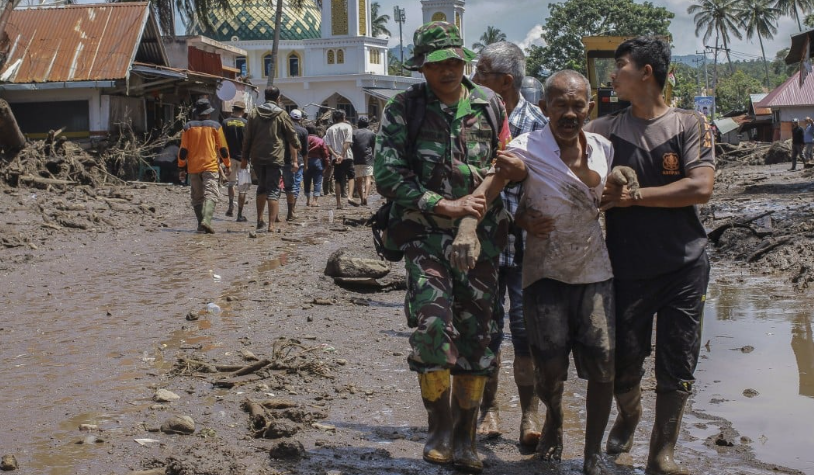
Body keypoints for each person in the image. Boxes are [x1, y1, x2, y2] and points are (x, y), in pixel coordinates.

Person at [373, 21, 511, 473]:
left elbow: (503, 165)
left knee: (477, 337)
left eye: (455, 60)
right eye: (437, 64)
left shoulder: (490, 105)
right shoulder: (404, 109)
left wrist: (471, 216)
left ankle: (466, 434)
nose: (448, 69)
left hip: (482, 241)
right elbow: (388, 176)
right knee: (433, 329)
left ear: (464, 61)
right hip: (425, 236)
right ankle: (439, 426)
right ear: (422, 67)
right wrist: (446, 206)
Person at [584, 36, 715, 475]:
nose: (612, 76)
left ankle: (663, 452)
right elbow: (583, 188)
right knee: (624, 359)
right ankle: (630, 413)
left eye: (619, 66)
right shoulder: (603, 131)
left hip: (684, 264)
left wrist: (631, 199)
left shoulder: (689, 124)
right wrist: (605, 196)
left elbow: (700, 188)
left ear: (645, 72)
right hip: (625, 266)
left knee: (678, 359)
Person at [491, 70, 615, 475]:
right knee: (548, 367)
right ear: (545, 108)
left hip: (593, 271)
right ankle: (554, 420)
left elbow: (610, 199)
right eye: (560, 104)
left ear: (589, 108)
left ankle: (593, 451)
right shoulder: (523, 149)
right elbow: (495, 198)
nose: (569, 113)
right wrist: (520, 218)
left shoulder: (603, 148)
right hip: (543, 273)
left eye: (577, 105)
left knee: (602, 362)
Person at [471, 41, 548, 447]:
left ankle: (530, 414)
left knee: (525, 334)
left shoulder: (536, 123)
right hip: (482, 247)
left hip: (523, 250)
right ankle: (489, 409)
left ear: (504, 81)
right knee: (485, 334)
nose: (474, 78)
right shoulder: (472, 118)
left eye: (481, 72)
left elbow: (545, 186)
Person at [242, 86, 301, 233]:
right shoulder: (281, 114)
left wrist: (244, 157)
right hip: (275, 157)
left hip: (257, 156)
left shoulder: (254, 113)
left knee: (261, 187)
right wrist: (297, 145)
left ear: (264, 97)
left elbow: (247, 137)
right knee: (274, 190)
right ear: (278, 98)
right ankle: (271, 225)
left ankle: (259, 220)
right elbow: (291, 134)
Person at [178, 98, 230, 234]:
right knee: (211, 193)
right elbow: (223, 149)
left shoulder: (188, 127)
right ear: (209, 113)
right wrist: (227, 165)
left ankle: (200, 225)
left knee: (197, 197)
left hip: (193, 168)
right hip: (210, 166)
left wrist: (181, 168)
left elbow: (183, 150)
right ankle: (206, 221)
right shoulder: (216, 126)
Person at [222, 100, 249, 221]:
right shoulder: (246, 123)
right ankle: (240, 214)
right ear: (243, 111)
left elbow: (221, 141)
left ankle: (231, 205)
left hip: (229, 158)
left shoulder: (225, 122)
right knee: (242, 187)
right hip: (243, 159)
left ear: (233, 109)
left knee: (231, 183)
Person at [324, 110, 354, 209]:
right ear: (343, 117)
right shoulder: (348, 127)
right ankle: (349, 196)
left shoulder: (329, 129)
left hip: (335, 158)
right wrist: (342, 155)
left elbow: (328, 146)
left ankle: (338, 203)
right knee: (350, 177)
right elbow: (347, 142)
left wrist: (336, 156)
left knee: (337, 180)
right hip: (347, 156)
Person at [284, 109, 309, 221]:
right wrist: (306, 163)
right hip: (298, 161)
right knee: (296, 185)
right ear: (300, 119)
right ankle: (292, 210)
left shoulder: (283, 129)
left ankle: (290, 211)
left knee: (287, 186)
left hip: (284, 161)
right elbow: (305, 150)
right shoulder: (303, 131)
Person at [351, 116, 376, 206]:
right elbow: (373, 147)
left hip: (356, 158)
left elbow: (351, 146)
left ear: (358, 124)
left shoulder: (354, 133)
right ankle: (366, 196)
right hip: (368, 158)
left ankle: (361, 199)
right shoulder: (372, 134)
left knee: (359, 179)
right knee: (368, 178)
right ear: (367, 124)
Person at [304, 124, 329, 207]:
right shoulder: (320, 140)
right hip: (317, 162)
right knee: (317, 182)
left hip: (306, 161)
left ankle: (307, 200)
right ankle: (314, 201)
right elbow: (325, 154)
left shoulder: (303, 139)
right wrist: (326, 164)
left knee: (306, 182)